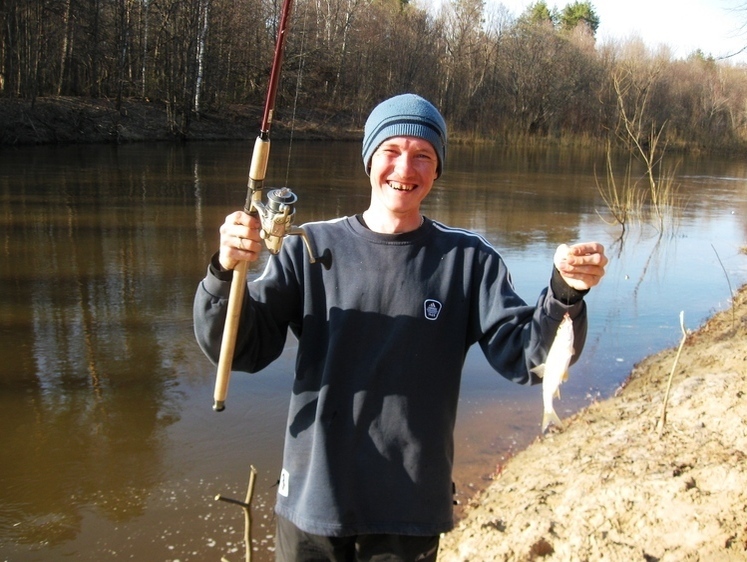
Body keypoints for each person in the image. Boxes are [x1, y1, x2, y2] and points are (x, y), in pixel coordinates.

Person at [193, 93, 608, 561]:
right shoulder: (307, 248)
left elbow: (528, 359)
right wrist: (225, 271)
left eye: (423, 156)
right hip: (312, 505)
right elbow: (239, 350)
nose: (405, 170)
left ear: (437, 170)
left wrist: (566, 293)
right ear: (370, 159)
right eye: (391, 151)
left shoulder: (469, 261)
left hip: (408, 511)